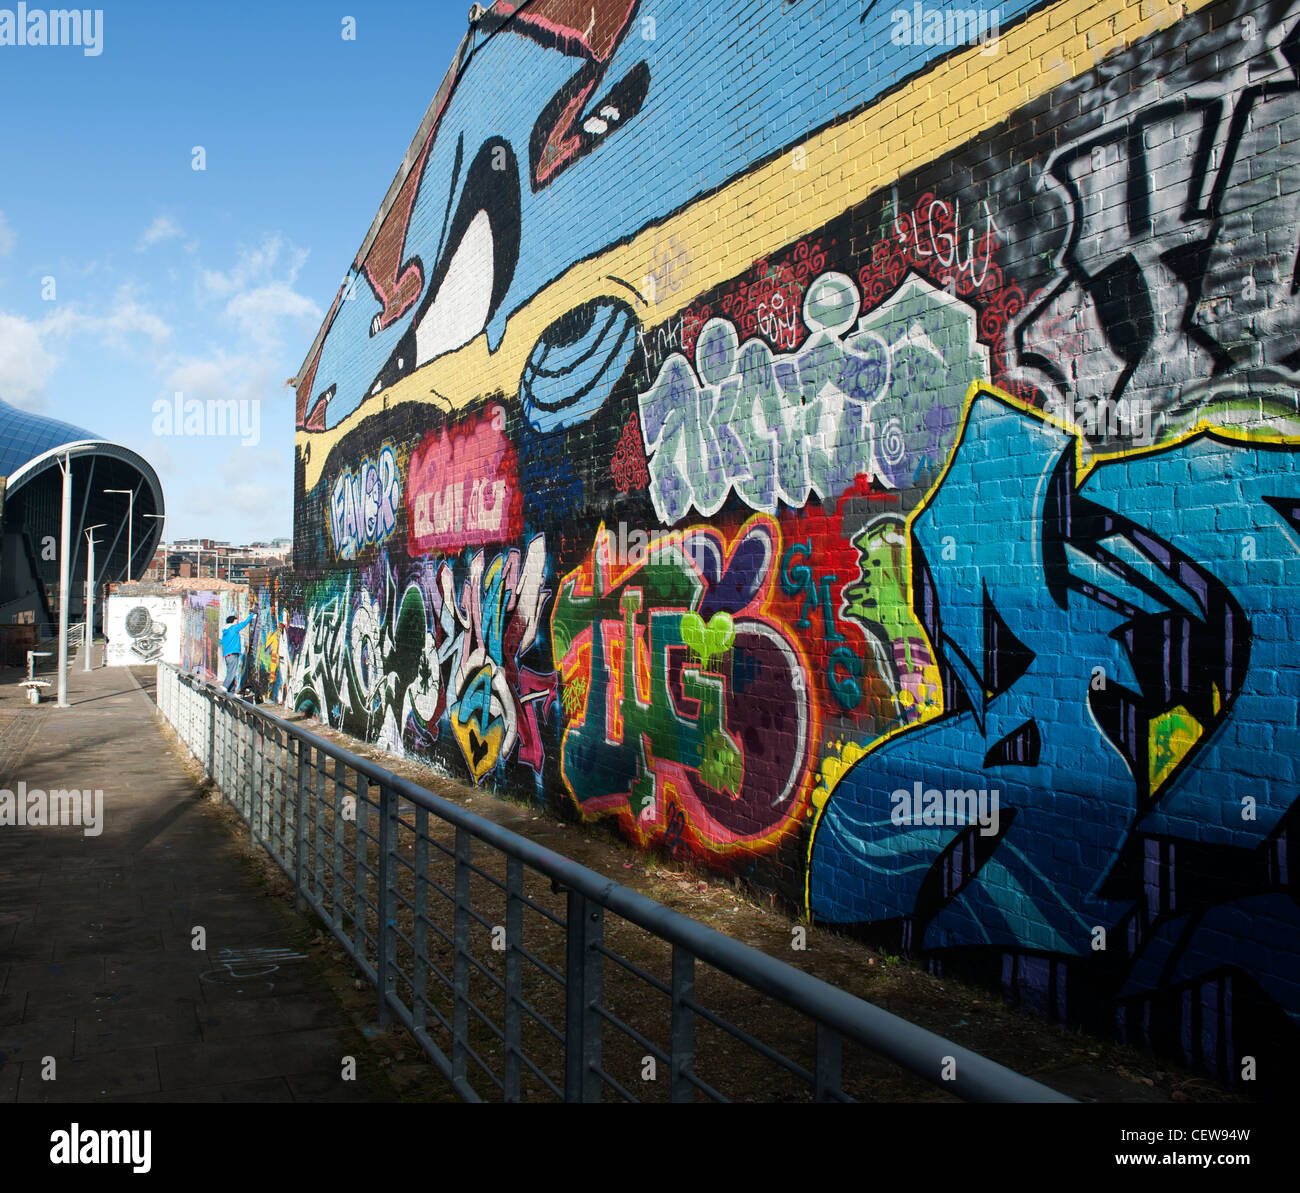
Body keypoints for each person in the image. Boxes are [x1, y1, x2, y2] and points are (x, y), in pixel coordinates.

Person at [221, 612, 255, 692]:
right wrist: (252, 615)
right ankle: (224, 687)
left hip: (227, 655)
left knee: (230, 671)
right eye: (236, 621)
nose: (237, 623)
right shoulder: (233, 628)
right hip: (233, 654)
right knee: (232, 672)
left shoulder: (225, 631)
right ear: (233, 621)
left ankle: (231, 691)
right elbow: (244, 623)